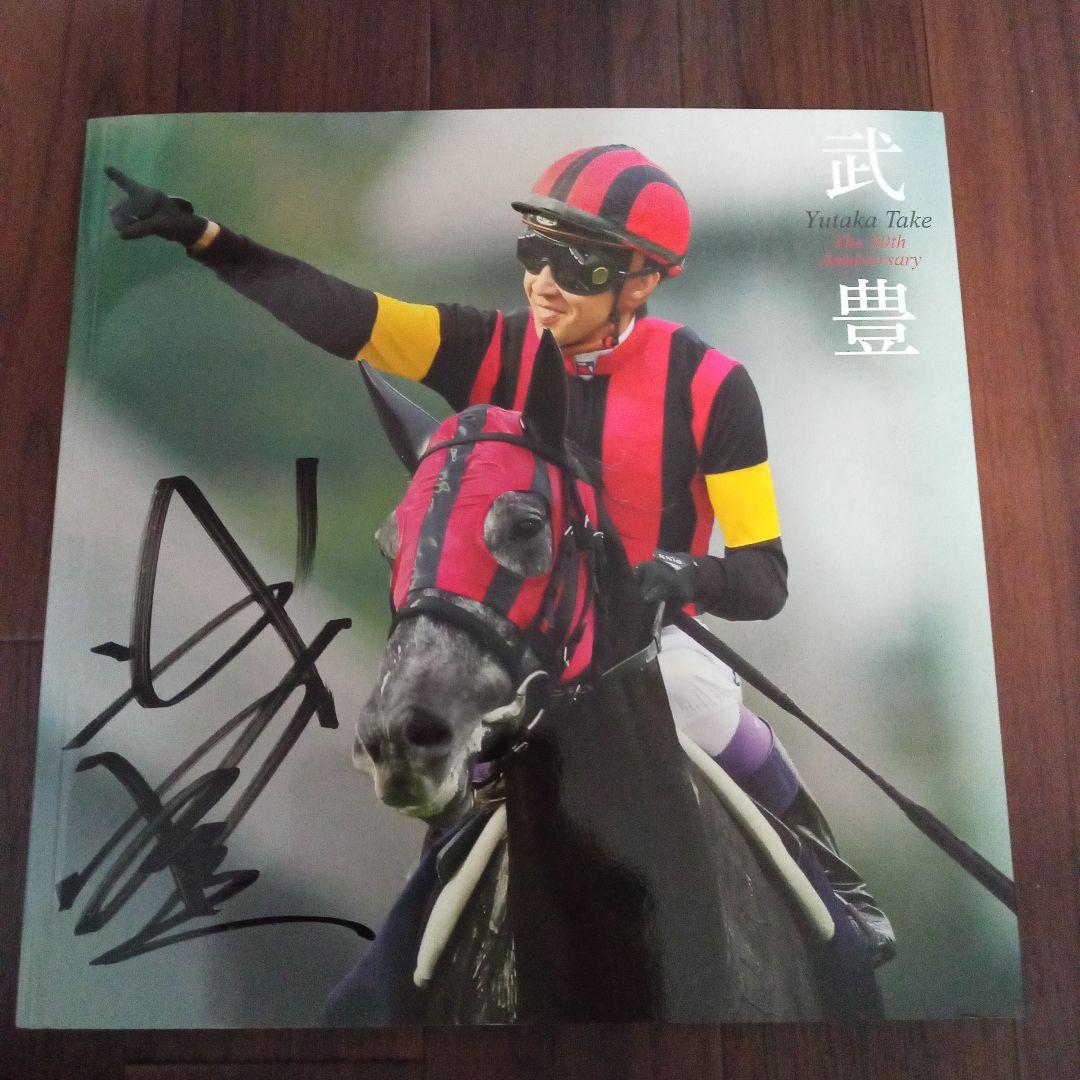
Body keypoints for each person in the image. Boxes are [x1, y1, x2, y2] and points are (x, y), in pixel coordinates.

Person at [105, 145, 894, 965]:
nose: (544, 282)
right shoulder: (487, 346)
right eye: (535, 252)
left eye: (577, 265)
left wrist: (687, 573)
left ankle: (837, 897)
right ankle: (393, 980)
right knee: (439, 776)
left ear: (643, 280)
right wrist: (207, 239)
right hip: (517, 650)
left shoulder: (714, 387)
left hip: (649, 649)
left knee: (703, 704)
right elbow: (348, 317)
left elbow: (765, 576)